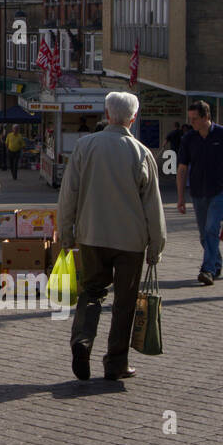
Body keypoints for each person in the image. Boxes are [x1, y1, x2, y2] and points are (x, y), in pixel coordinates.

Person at [58, 91, 166, 382]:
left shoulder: (84, 146)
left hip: (91, 234)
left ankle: (82, 339)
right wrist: (157, 245)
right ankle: (116, 362)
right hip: (130, 240)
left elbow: (69, 194)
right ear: (133, 118)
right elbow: (152, 205)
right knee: (125, 302)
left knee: (91, 292)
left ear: (107, 115)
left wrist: (66, 232)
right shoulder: (142, 153)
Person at [177, 100, 223, 286]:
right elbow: (182, 169)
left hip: (220, 190)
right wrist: (181, 197)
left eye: (195, 119)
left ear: (207, 117)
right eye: (190, 119)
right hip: (198, 192)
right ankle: (216, 262)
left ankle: (207, 270)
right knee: (203, 235)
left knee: (211, 229)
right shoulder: (189, 138)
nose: (192, 123)